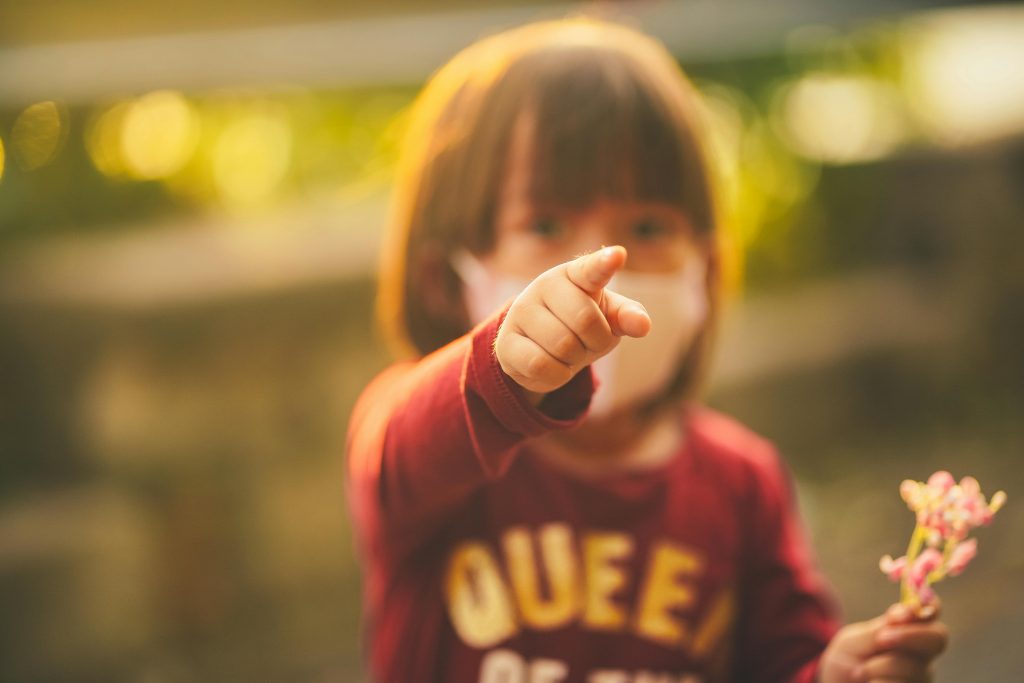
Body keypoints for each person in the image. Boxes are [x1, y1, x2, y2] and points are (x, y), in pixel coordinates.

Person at [346, 17, 948, 683]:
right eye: (545, 224)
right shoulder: (429, 453)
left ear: (704, 272)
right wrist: (499, 369)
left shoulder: (743, 486)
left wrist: (836, 674)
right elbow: (400, 447)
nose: (598, 266)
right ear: (445, 278)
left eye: (647, 226)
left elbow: (785, 661)